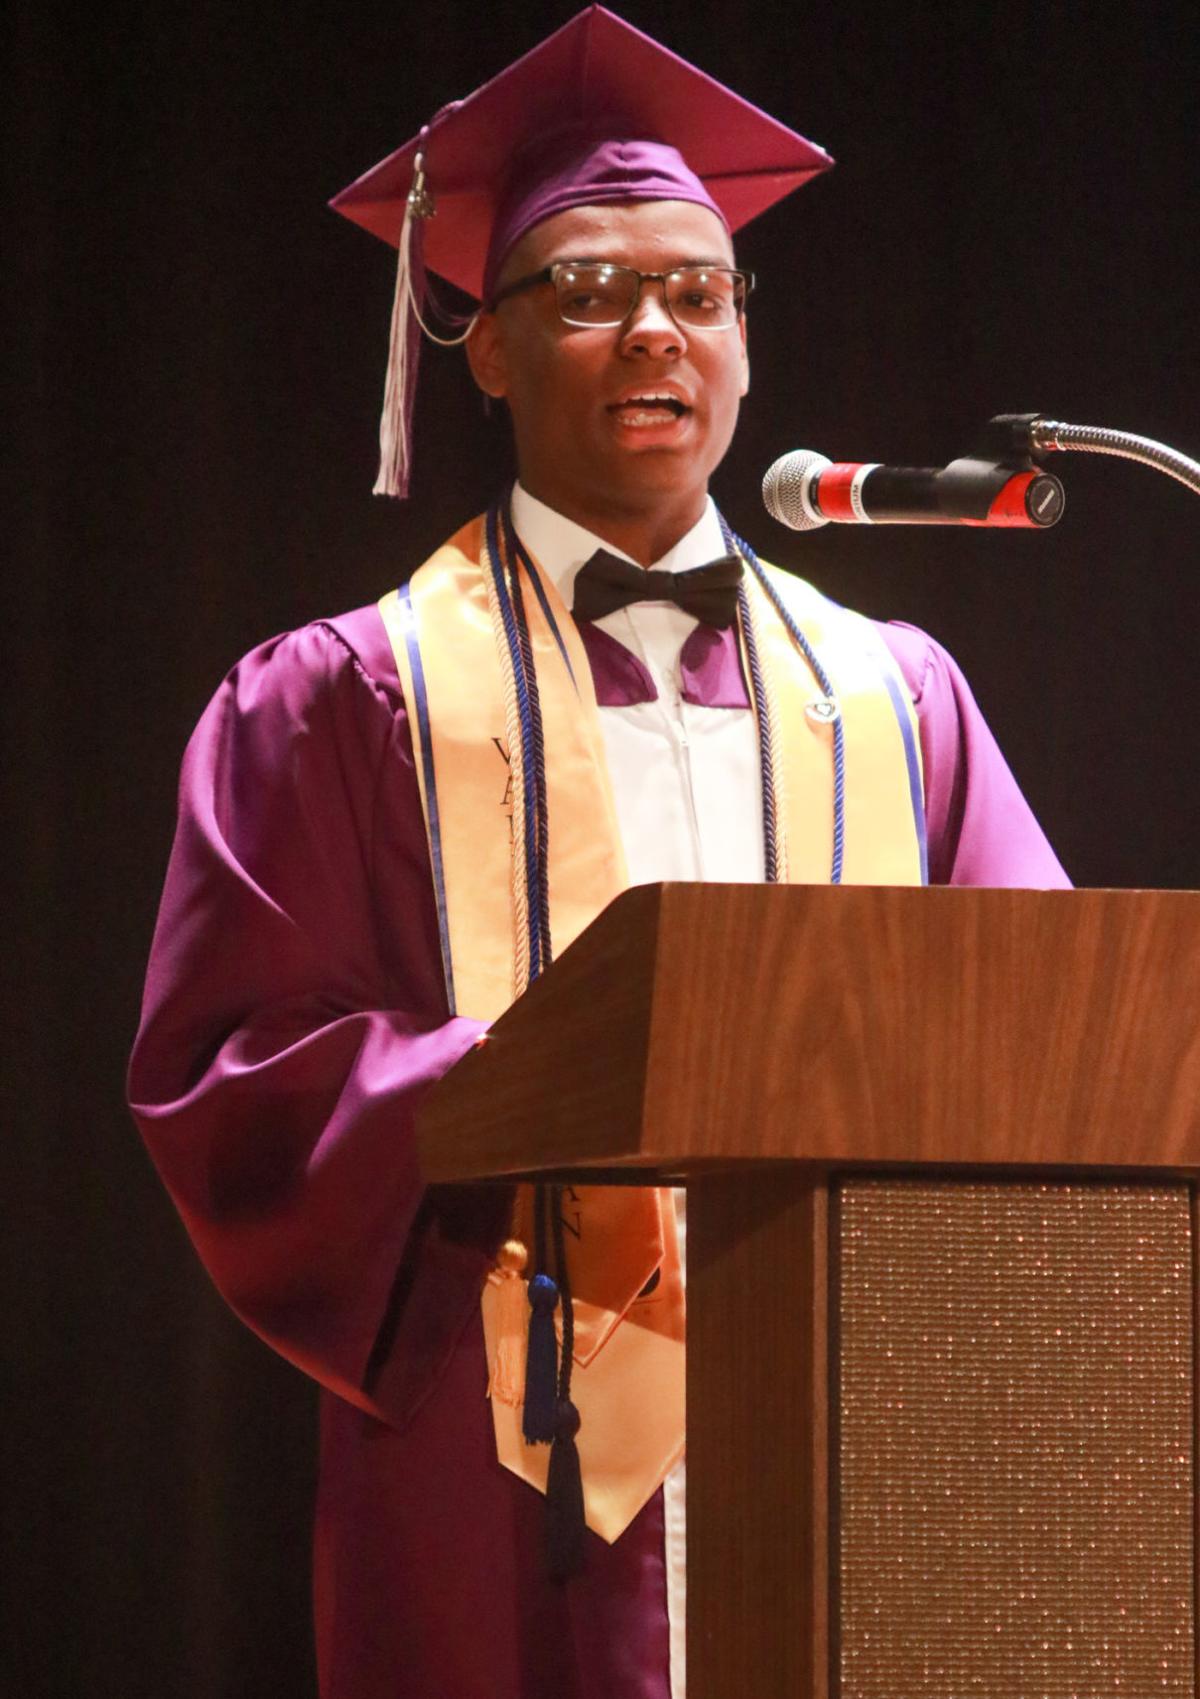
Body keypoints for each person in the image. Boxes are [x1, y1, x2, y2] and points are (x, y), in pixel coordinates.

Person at [129, 9, 1068, 1697]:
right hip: (511, 1457)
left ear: (747, 347)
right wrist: (563, 1075)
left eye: (699, 293)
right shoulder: (343, 700)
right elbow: (234, 1081)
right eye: (587, 289)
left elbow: (1045, 1048)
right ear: (482, 348)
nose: (655, 329)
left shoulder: (892, 695)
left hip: (860, 1436)